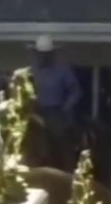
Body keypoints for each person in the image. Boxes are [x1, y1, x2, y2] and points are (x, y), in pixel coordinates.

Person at [30, 34, 83, 170]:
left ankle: (66, 167)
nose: (41, 57)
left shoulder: (62, 71)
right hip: (34, 111)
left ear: (51, 54)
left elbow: (75, 91)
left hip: (55, 111)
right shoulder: (32, 72)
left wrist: (66, 107)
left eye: (45, 54)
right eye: (39, 54)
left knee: (58, 136)